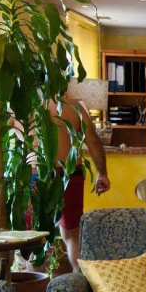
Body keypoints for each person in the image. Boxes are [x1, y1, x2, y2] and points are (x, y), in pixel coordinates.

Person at [50, 98, 110, 269]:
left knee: (35, 236)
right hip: (70, 172)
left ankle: (37, 287)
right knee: (72, 234)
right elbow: (93, 141)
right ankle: (78, 281)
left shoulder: (21, 105)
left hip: (37, 173)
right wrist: (102, 174)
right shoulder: (73, 107)